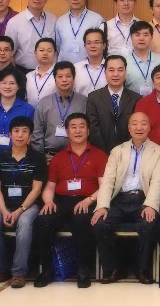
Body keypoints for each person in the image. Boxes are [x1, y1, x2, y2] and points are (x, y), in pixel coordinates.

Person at [33, 113, 107, 288]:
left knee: (82, 220)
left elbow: (105, 186)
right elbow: (50, 186)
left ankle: (83, 270)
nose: (78, 130)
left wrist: (89, 200)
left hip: (87, 201)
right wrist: (48, 202)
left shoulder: (99, 155)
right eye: (73, 127)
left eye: (82, 126)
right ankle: (47, 270)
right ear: (67, 131)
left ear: (88, 130)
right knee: (43, 221)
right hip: (62, 201)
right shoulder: (58, 157)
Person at [92, 112, 160, 284]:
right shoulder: (117, 151)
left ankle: (142, 270)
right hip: (119, 200)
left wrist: (151, 205)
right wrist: (102, 206)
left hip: (143, 200)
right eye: (134, 123)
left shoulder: (159, 152)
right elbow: (108, 181)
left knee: (147, 224)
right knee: (100, 224)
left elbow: (158, 181)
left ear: (149, 127)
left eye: (143, 123)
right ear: (128, 127)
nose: (139, 127)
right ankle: (114, 269)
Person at [0, 116, 46, 288]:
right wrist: (4, 210)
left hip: (28, 205)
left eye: (24, 131)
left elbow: (36, 189)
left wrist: (20, 210)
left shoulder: (37, 158)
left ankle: (19, 272)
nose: (20, 135)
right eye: (16, 131)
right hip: (4, 204)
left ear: (30, 136)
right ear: (10, 134)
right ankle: (2, 268)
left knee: (24, 224)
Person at [86, 56, 143, 153]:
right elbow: (93, 128)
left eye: (120, 70)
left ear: (125, 72)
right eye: (111, 70)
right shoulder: (94, 98)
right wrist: (104, 152)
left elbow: (137, 127)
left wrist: (126, 151)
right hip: (101, 152)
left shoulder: (136, 98)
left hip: (129, 152)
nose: (116, 74)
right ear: (105, 72)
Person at [31, 62, 87, 158]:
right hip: (49, 157)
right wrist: (40, 158)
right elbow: (37, 133)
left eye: (68, 76)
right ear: (55, 79)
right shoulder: (44, 103)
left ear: (73, 78)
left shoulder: (84, 102)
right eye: (60, 76)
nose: (64, 80)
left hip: (76, 156)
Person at [0, 69, 35, 152]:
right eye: (4, 83)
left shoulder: (27, 109)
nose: (7, 87)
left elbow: (30, 135)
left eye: (12, 83)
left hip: (17, 155)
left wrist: (15, 154)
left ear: (18, 86)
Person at [2, 0, 56, 70]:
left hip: (50, 71)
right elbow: (9, 52)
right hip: (24, 71)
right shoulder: (15, 22)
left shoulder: (52, 19)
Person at [53, 0, 105, 64]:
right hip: (64, 69)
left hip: (88, 68)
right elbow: (57, 47)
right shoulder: (60, 21)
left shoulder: (97, 20)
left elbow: (102, 47)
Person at [125, 21, 160, 96]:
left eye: (146, 35)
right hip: (131, 103)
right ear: (131, 37)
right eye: (137, 35)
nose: (141, 38)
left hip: (158, 102)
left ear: (151, 37)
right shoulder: (124, 63)